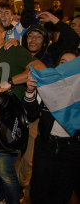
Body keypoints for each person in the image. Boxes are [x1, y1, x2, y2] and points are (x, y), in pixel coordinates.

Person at [0, 19, 46, 204]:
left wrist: (11, 82)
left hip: (10, 119)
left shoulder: (14, 51)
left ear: (3, 33)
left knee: (5, 168)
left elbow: (40, 69)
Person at [22, 50, 80, 204]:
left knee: (62, 191)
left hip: (71, 148)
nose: (66, 65)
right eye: (62, 62)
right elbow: (31, 113)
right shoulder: (49, 86)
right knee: (38, 189)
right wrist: (29, 91)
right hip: (45, 144)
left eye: (71, 63)